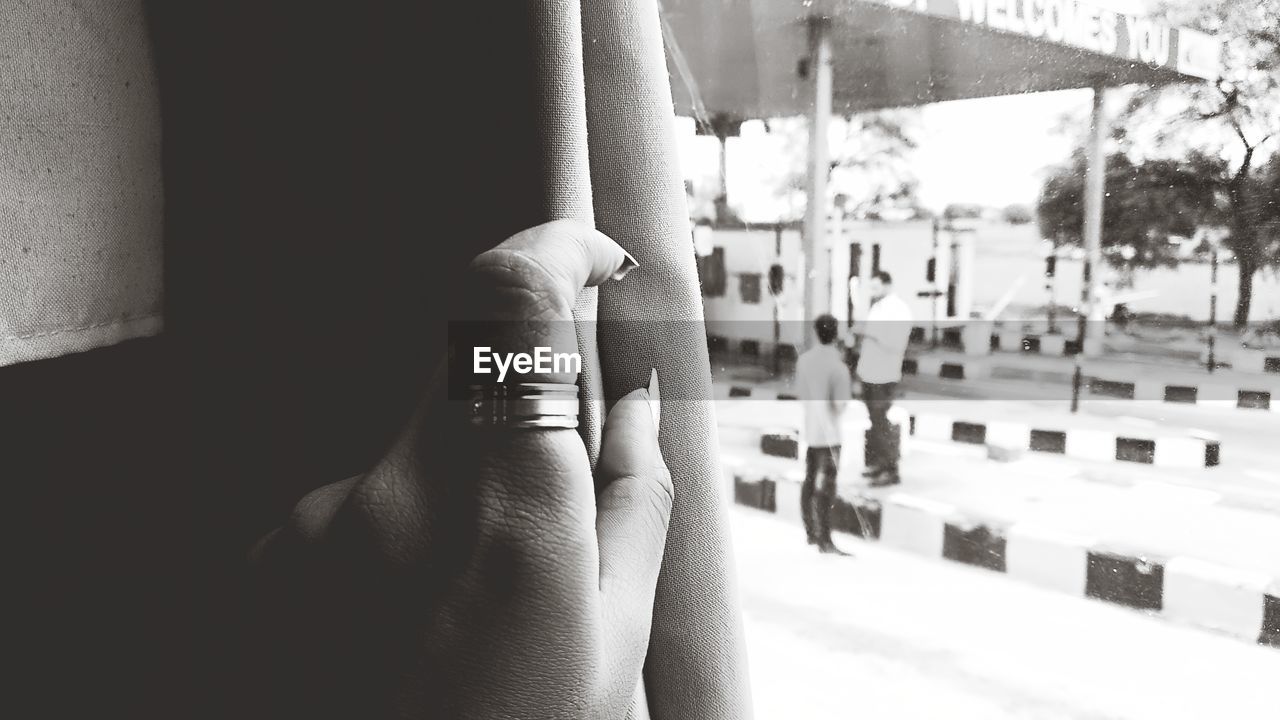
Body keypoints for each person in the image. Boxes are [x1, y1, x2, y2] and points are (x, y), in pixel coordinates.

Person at [794, 314, 853, 554]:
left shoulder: (804, 361)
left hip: (811, 431)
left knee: (809, 480)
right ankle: (825, 539)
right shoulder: (839, 367)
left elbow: (801, 393)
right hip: (831, 436)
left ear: (816, 333)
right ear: (836, 334)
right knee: (827, 487)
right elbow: (840, 405)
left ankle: (811, 532)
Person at [854, 271, 913, 486]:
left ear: (888, 286)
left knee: (881, 422)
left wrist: (871, 332)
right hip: (869, 373)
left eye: (876, 287)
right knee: (875, 423)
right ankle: (879, 464)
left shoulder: (898, 309)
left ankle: (891, 469)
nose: (872, 292)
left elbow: (897, 343)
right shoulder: (877, 307)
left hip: (884, 375)